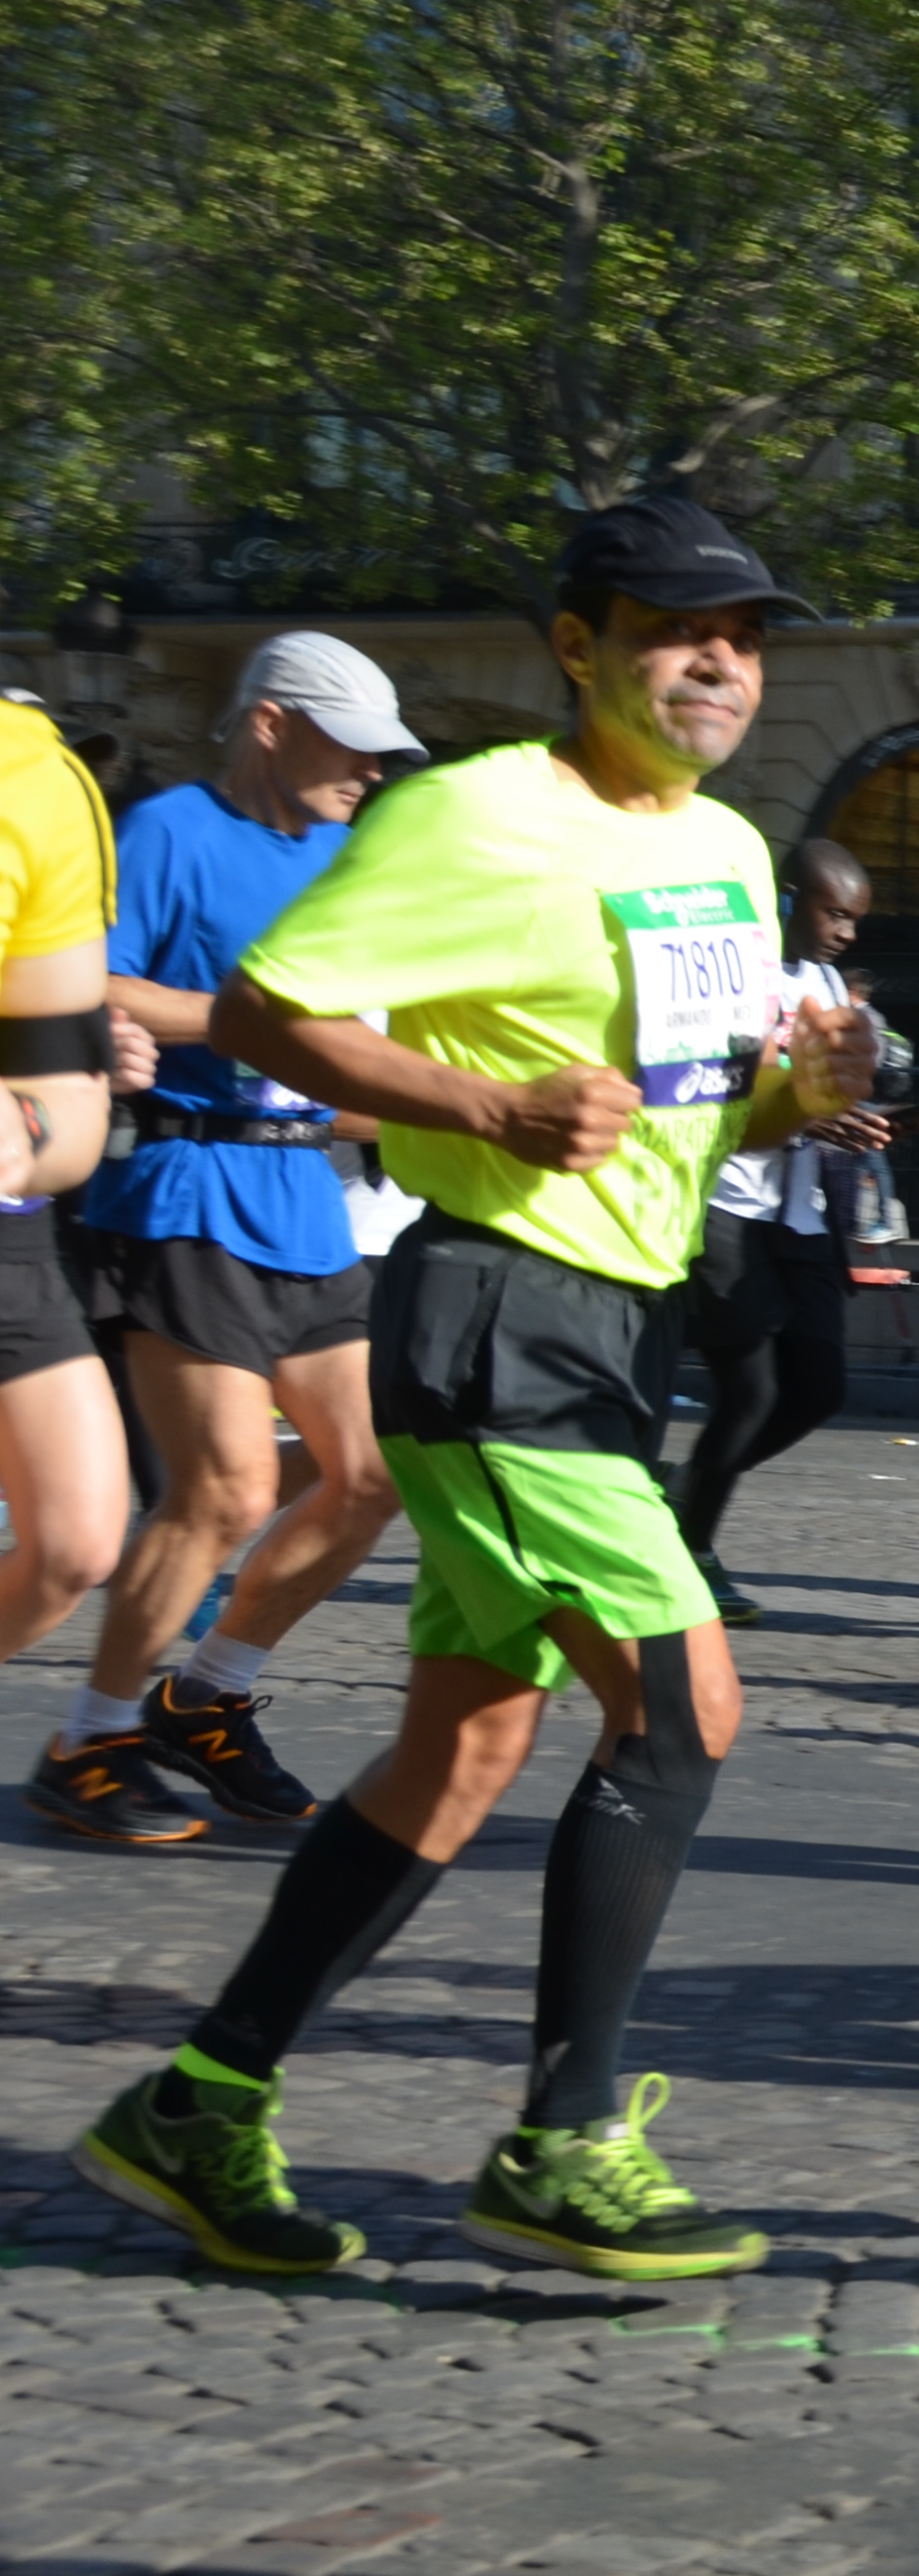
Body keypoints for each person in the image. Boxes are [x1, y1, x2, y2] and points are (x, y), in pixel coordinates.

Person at [69, 489, 878, 2281]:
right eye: (679, 629)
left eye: (744, 636)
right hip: (498, 1320)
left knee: (466, 1743)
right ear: (579, 643)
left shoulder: (736, 855)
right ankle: (564, 2137)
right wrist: (485, 1108)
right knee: (682, 1711)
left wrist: (788, 1108)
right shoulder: (477, 812)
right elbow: (276, 1005)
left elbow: (676, 1102)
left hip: (619, 1326)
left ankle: (198, 2103)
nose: (719, 664)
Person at [34, 636, 416, 1845]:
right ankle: (86, 1739)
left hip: (311, 1197)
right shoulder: (166, 832)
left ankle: (203, 1698)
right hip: (188, 1189)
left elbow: (347, 1048)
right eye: (351, 743)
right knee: (224, 1490)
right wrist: (253, 1030)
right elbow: (90, 983)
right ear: (268, 723)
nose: (370, 769)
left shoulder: (353, 854)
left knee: (371, 1474)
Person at [667, 840, 884, 1622]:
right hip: (729, 1205)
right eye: (834, 913)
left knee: (820, 1385)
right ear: (789, 901)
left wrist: (846, 1118)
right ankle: (691, 1548)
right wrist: (810, 1115)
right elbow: (711, 1087)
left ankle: (685, 1490)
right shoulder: (741, 974)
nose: (847, 933)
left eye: (856, 919)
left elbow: (816, 1087)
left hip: (798, 1213)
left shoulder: (826, 983)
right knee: (751, 1389)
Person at [0, 698, 143, 1823]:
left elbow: (69, 1107)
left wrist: (26, 1131)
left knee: (76, 1538)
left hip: (4, 1229)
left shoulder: (37, 772)